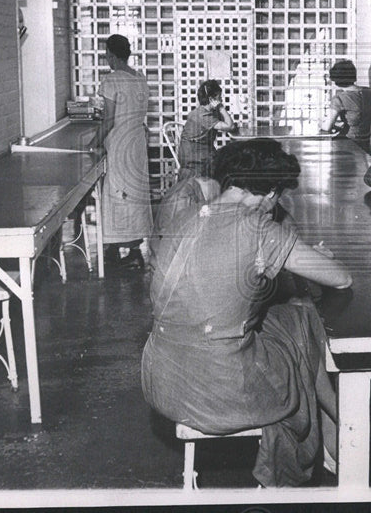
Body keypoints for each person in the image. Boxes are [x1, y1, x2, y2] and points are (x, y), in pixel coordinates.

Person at [140, 139, 353, 487]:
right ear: (269, 194)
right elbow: (341, 280)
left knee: (288, 320)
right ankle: (337, 431)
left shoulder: (186, 216)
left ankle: (336, 426)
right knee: (303, 318)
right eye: (278, 196)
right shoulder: (258, 230)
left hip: (162, 378)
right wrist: (318, 258)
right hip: (216, 393)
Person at [89, 34, 153, 268]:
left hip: (119, 144)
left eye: (107, 54)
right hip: (136, 143)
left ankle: (116, 250)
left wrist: (93, 143)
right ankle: (133, 249)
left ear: (112, 55)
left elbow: (109, 119)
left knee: (117, 194)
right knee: (134, 195)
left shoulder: (112, 80)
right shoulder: (140, 78)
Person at [177, 79, 236, 179]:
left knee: (228, 158)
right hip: (193, 157)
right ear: (212, 99)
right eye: (219, 97)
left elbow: (230, 125)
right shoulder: (202, 115)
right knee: (227, 163)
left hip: (200, 151)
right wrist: (221, 108)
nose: (221, 99)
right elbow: (230, 126)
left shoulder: (206, 112)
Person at [320, 59, 371, 154]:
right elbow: (358, 118)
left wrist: (320, 123)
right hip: (366, 143)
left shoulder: (339, 98)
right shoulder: (368, 92)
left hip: (348, 144)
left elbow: (327, 127)